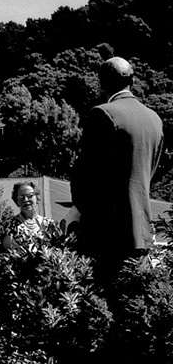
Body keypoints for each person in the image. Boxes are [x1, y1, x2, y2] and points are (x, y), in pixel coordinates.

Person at [70, 56, 164, 268]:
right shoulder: (154, 119)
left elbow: (86, 173)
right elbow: (149, 172)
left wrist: (78, 210)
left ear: (101, 83)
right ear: (132, 81)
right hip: (141, 232)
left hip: (105, 234)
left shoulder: (103, 114)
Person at [1, 181, 55, 253]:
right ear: (16, 201)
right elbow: (7, 252)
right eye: (21, 197)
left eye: (30, 196)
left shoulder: (49, 224)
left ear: (37, 198)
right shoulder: (10, 226)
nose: (26, 200)